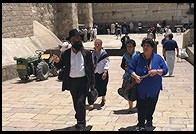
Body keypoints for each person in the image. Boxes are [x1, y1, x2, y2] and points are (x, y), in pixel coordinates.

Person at [52, 29, 95, 131]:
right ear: (71, 40)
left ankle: (81, 124)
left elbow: (91, 68)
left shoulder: (86, 53)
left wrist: (93, 82)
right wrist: (56, 61)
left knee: (81, 102)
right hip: (72, 82)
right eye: (75, 38)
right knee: (76, 103)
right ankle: (79, 118)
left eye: (78, 38)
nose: (78, 40)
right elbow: (60, 65)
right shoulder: (66, 54)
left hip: (83, 81)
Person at [128, 38, 168, 131]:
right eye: (144, 45)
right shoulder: (137, 57)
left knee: (151, 105)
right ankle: (141, 123)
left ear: (152, 48)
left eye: (148, 46)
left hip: (154, 88)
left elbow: (165, 70)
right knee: (141, 105)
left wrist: (157, 71)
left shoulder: (158, 58)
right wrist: (135, 76)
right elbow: (130, 69)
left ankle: (149, 119)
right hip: (141, 87)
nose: (145, 47)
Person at [120, 39, 139, 113]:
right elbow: (122, 65)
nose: (129, 48)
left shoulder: (137, 55)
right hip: (128, 76)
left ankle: (138, 105)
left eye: (130, 46)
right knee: (128, 91)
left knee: (137, 91)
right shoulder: (125, 56)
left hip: (136, 75)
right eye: (127, 46)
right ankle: (130, 107)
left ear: (134, 47)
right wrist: (126, 68)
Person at [90, 38, 110, 110]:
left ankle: (103, 99)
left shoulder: (104, 54)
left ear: (101, 45)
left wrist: (105, 72)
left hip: (102, 73)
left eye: (98, 44)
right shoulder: (92, 53)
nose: (97, 45)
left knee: (103, 86)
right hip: (95, 72)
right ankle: (91, 102)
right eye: (96, 44)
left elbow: (107, 63)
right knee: (93, 87)